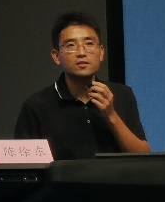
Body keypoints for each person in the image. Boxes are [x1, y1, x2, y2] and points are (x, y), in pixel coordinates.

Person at [13, 11, 150, 159]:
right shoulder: (36, 105)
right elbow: (24, 165)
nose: (81, 53)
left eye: (89, 44)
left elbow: (143, 158)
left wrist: (111, 115)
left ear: (101, 53)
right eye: (71, 45)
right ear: (56, 56)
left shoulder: (122, 94)